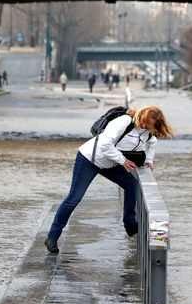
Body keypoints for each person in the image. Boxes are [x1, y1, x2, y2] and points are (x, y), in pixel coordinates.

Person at [44, 105, 174, 254]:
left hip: (111, 163)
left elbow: (152, 143)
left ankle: (130, 225)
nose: (143, 126)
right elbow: (104, 144)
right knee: (74, 198)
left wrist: (148, 160)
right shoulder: (124, 121)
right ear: (140, 115)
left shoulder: (149, 132)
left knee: (132, 185)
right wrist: (123, 160)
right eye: (142, 122)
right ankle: (52, 237)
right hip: (90, 159)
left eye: (147, 125)